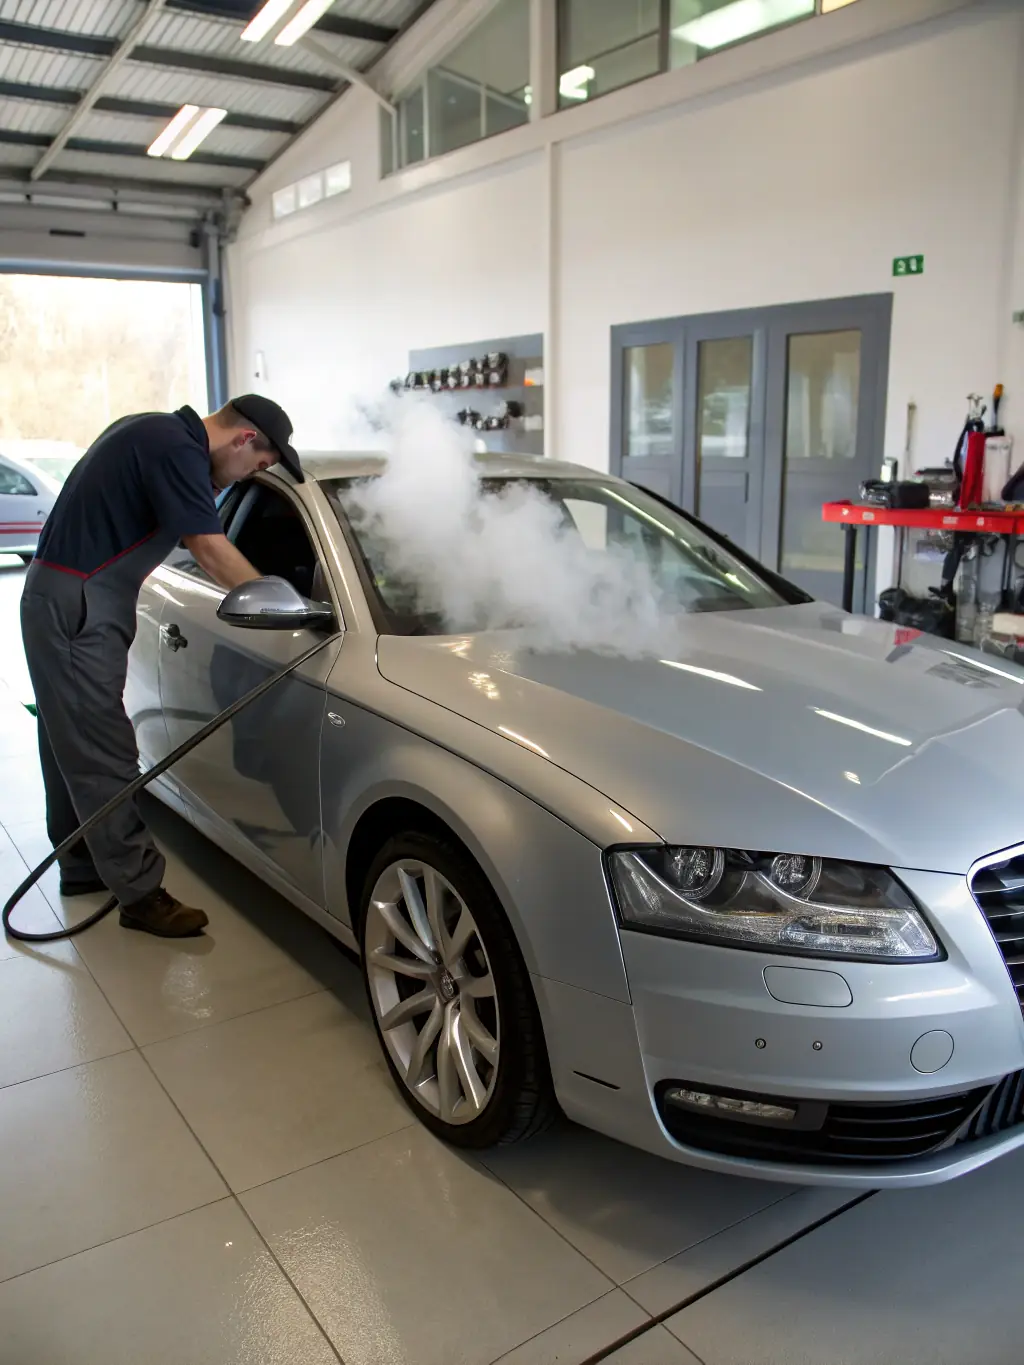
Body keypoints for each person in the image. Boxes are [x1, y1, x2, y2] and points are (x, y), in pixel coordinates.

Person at [21, 395, 303, 937]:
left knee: (68, 740)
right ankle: (141, 895)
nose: (253, 474)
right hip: (79, 602)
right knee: (104, 750)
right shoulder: (175, 448)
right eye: (261, 465)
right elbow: (210, 548)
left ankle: (82, 864)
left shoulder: (151, 432)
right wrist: (275, 603)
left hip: (67, 595)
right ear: (245, 439)